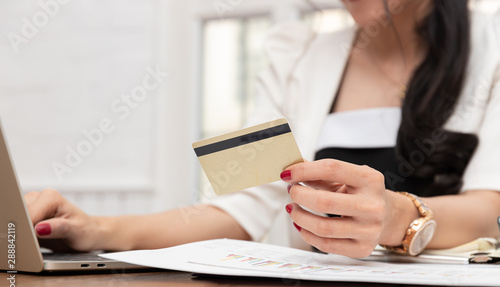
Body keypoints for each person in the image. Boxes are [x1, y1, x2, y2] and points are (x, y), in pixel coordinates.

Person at [26, 0, 500, 258]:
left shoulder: (493, 41)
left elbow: (489, 209)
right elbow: (241, 209)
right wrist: (97, 229)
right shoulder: (293, 53)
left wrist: (398, 217)